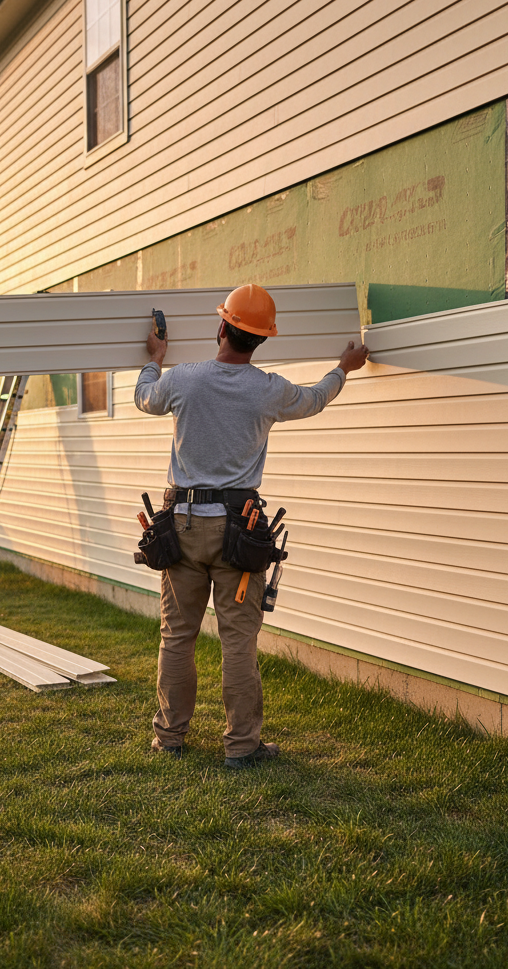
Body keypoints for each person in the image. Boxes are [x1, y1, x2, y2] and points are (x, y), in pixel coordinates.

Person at [134, 284, 369, 768]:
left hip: (181, 526)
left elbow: (144, 398)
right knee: (238, 640)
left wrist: (156, 357)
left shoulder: (185, 378)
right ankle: (241, 748)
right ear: (261, 340)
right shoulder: (269, 390)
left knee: (177, 636)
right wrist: (342, 368)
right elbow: (317, 397)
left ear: (221, 327)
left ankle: (170, 738)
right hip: (239, 532)